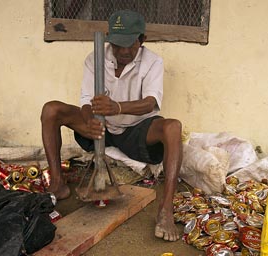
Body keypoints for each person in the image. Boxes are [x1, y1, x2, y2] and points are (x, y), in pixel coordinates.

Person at [40, 9, 182, 242]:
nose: (123, 52)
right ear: (109, 41)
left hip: (134, 131)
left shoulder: (153, 61)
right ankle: (58, 184)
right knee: (51, 109)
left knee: (173, 127)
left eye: (130, 45)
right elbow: (86, 100)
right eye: (117, 45)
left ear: (142, 40)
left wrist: (117, 108)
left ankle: (165, 210)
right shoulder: (95, 57)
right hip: (99, 128)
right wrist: (90, 120)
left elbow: (150, 103)